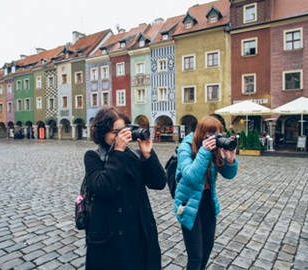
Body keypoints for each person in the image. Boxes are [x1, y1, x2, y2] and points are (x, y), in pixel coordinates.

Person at [84, 106, 166, 270]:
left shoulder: (133, 154)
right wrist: (118, 151)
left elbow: (158, 183)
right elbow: (104, 187)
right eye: (116, 132)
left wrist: (148, 155)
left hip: (140, 232)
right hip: (112, 238)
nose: (122, 136)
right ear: (102, 133)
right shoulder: (93, 157)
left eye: (124, 130)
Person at [174, 116, 238, 270]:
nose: (215, 138)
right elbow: (191, 177)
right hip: (189, 205)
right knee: (196, 257)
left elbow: (228, 175)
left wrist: (230, 160)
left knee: (206, 251)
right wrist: (204, 151)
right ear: (201, 133)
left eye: (218, 134)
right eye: (211, 133)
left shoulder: (214, 148)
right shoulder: (186, 147)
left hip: (208, 203)